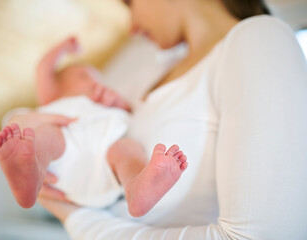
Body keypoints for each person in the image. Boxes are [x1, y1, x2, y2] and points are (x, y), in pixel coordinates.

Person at [36, 0, 307, 239]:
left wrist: (76, 217)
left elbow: (257, 237)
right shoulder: (151, 74)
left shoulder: (259, 39)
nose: (131, 28)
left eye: (130, 3)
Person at [0, 37, 188, 217]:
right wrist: (63, 48)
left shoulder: (106, 105)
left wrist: (117, 102)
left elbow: (129, 111)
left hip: (106, 166)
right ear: (60, 86)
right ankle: (31, 171)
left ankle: (137, 188)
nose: (95, 82)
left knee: (127, 148)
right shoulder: (54, 100)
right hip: (65, 155)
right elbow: (43, 69)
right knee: (46, 136)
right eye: (84, 76)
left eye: (99, 79)